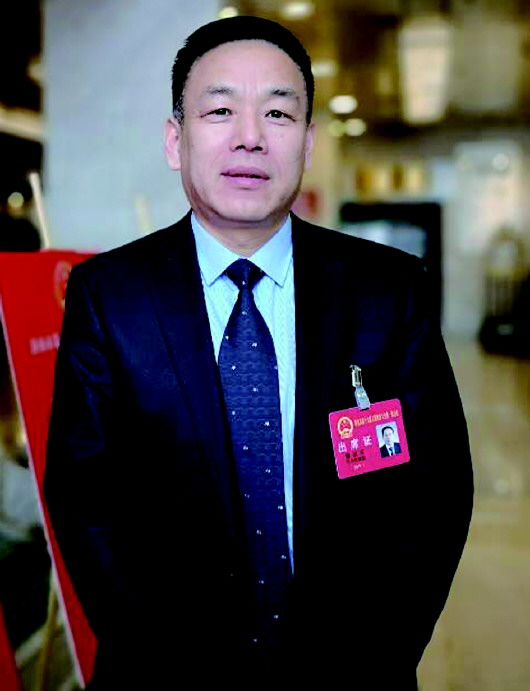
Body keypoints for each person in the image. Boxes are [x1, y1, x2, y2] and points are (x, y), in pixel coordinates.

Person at [44, 15, 473, 690]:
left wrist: (382, 656)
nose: (250, 135)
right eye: (220, 110)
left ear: (307, 140)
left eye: (278, 112)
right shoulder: (109, 295)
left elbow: (435, 492)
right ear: (176, 139)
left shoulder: (387, 290)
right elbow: (86, 501)